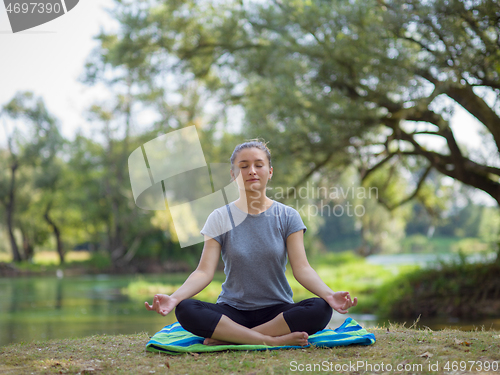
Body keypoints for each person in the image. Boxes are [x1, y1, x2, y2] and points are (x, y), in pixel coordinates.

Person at [145, 139, 357, 346]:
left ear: (270, 172)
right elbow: (203, 272)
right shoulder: (219, 218)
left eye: (258, 165)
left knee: (320, 308)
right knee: (185, 309)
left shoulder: (288, 216)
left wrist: (329, 295)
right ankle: (270, 340)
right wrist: (173, 298)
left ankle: (231, 338)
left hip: (277, 312)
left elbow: (302, 268)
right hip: (232, 311)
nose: (251, 171)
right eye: (243, 166)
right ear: (233, 175)